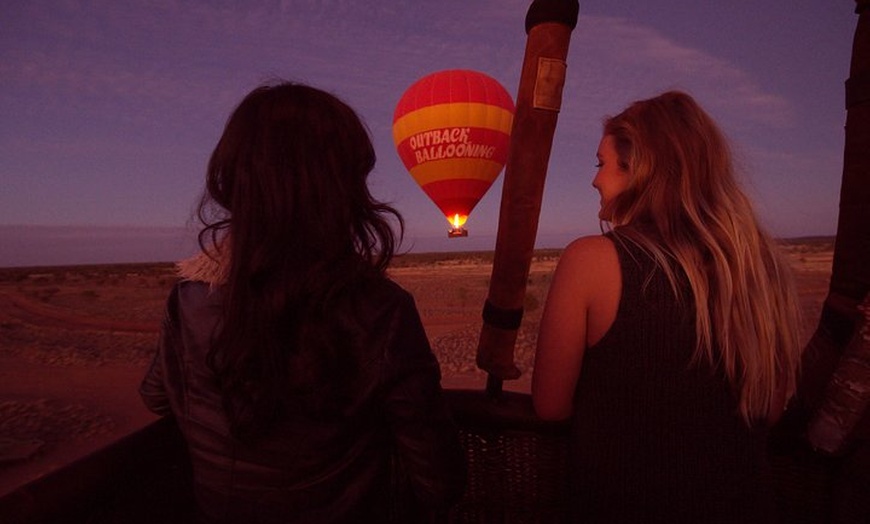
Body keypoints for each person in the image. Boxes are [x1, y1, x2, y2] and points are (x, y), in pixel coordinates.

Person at [140, 82, 466, 523]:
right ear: (341, 191)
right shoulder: (381, 310)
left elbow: (158, 397)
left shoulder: (192, 297)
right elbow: (439, 478)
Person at [532, 90, 802, 522]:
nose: (595, 180)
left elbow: (550, 405)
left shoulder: (591, 260)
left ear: (639, 168)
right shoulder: (760, 269)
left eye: (602, 164)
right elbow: (768, 411)